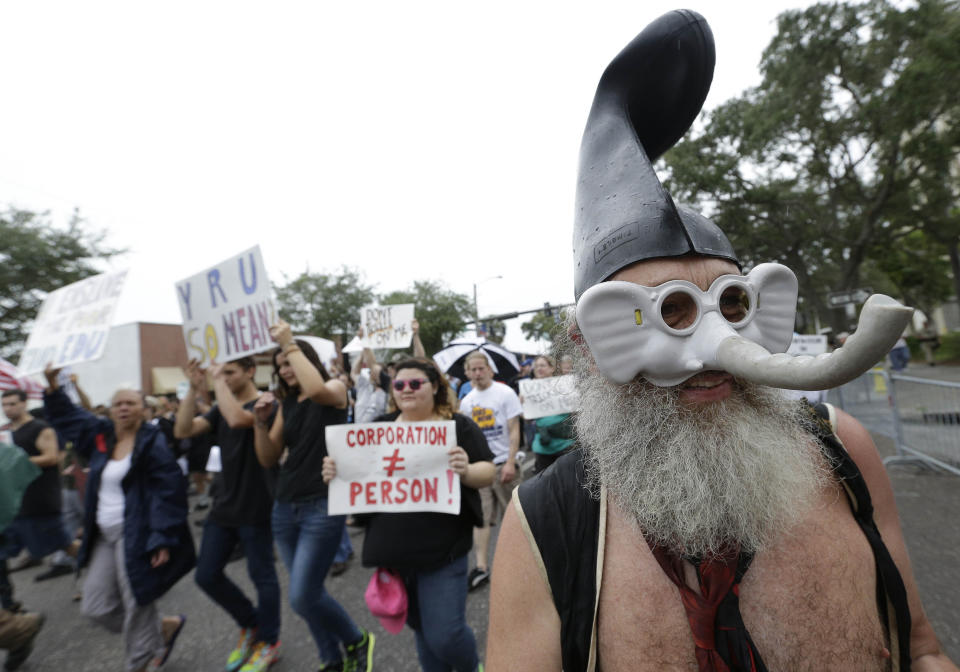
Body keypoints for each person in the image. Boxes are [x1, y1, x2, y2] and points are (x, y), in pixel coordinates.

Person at [487, 11, 957, 671]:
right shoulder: (548, 522)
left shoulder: (840, 448)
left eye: (732, 303)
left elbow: (922, 648)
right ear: (592, 343)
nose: (713, 344)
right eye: (671, 312)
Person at [321, 357, 494, 672]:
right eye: (399, 384)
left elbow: (488, 471)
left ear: (435, 387)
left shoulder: (456, 426)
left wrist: (466, 470)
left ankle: (472, 667)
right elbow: (356, 476)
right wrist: (336, 471)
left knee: (445, 635)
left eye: (416, 383)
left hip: (444, 552)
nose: (406, 389)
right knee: (423, 632)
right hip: (395, 555)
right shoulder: (378, 429)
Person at [42, 367, 193, 672]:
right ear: (111, 410)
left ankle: (140, 662)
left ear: (142, 408)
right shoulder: (100, 434)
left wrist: (161, 536)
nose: (123, 408)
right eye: (118, 404)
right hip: (103, 535)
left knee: (137, 600)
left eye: (130, 403)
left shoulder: (151, 441)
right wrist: (52, 386)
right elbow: (68, 417)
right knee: (95, 607)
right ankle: (162, 628)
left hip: (136, 531)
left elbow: (168, 489)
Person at [253, 319, 374, 672]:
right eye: (280, 368)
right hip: (284, 507)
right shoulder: (285, 404)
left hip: (322, 503)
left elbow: (318, 390)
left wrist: (289, 342)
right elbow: (267, 457)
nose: (285, 371)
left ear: (306, 359)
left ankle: (357, 639)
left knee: (302, 596)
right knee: (309, 596)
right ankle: (330, 659)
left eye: (290, 362)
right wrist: (261, 423)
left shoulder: (335, 387)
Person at [174, 357, 281, 672]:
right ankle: (251, 625)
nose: (223, 376)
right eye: (222, 372)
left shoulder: (266, 403)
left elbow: (238, 420)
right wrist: (193, 390)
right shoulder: (221, 406)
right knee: (206, 575)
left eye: (230, 372)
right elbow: (183, 430)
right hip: (223, 507)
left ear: (250, 371)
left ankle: (269, 642)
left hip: (256, 505)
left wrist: (215, 380)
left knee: (263, 577)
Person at [457, 352, 522, 591]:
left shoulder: (505, 393)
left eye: (480, 368)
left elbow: (514, 430)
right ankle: (482, 567)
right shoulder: (466, 402)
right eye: (472, 370)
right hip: (480, 468)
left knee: (516, 516)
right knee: (481, 519)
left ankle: (520, 563)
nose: (477, 373)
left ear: (489, 369)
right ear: (467, 373)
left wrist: (510, 462)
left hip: (505, 463)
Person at [0, 390, 75, 583]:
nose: (8, 408)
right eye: (5, 404)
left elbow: (51, 457)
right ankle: (7, 607)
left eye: (12, 404)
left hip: (40, 501)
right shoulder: (5, 432)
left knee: (67, 545)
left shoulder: (40, 428)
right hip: (14, 504)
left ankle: (103, 570)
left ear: (24, 404)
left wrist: (16, 461)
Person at [527, 355, 575, 474]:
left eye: (542, 365)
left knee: (568, 480)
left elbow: (575, 411)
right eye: (536, 366)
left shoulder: (564, 385)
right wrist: (524, 403)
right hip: (543, 444)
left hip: (564, 443)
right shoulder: (529, 389)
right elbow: (527, 420)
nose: (539, 368)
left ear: (552, 368)